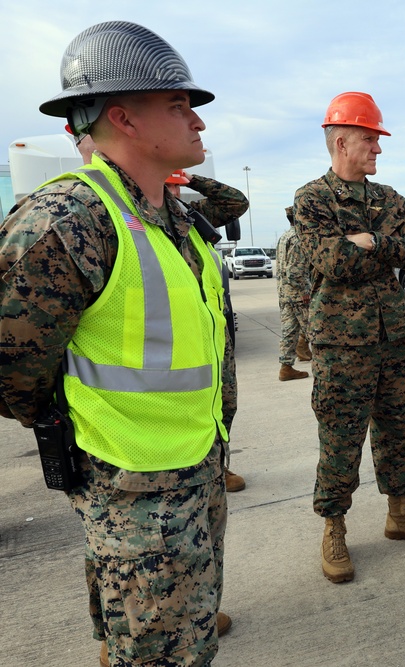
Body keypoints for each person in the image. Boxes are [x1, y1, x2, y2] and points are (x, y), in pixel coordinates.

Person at [0, 21, 232, 666]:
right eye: (179, 105)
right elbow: (10, 370)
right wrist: (86, 441)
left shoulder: (176, 216)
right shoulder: (67, 220)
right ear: (125, 119)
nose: (199, 123)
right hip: (134, 489)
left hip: (196, 463)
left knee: (166, 638)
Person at [294, 91, 405, 585]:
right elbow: (329, 262)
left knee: (403, 428)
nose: (378, 149)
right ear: (341, 142)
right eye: (370, 140)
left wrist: (372, 241)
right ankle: (335, 527)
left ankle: (400, 512)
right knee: (340, 436)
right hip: (341, 341)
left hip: (394, 335)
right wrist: (369, 249)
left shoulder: (391, 199)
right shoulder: (312, 199)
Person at [166, 168, 249, 493]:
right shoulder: (130, 216)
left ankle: (218, 465)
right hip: (173, 334)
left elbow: (237, 203)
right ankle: (183, 469)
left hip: (212, 333)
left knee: (224, 404)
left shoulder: (189, 214)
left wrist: (191, 179)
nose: (172, 192)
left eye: (175, 187)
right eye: (168, 185)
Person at [276, 205, 311, 381]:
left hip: (285, 293)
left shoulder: (284, 236)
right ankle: (325, 367)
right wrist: (305, 290)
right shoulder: (298, 238)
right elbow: (294, 271)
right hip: (298, 294)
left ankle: (286, 367)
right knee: (315, 330)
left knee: (289, 332)